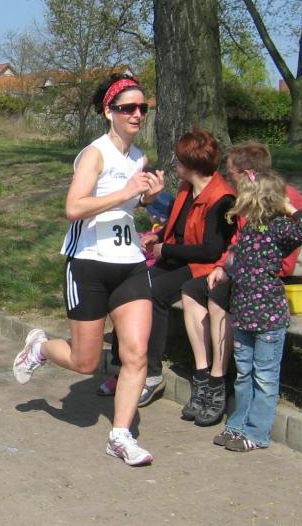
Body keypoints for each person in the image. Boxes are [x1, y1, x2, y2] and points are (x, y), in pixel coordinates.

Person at [12, 74, 165, 466]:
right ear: (109, 112)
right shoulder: (94, 154)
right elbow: (74, 207)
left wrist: (147, 198)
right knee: (86, 362)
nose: (137, 114)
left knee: (136, 353)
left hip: (129, 263)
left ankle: (121, 436)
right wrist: (126, 192)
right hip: (88, 264)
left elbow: (129, 206)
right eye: (127, 108)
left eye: (142, 108)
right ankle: (40, 348)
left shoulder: (139, 157)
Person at [178, 141, 302, 427]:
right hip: (248, 271)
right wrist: (222, 266)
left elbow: (285, 253)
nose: (227, 179)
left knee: (218, 298)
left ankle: (218, 378)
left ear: (246, 173)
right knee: (192, 290)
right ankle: (203, 374)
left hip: (275, 277)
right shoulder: (248, 198)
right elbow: (239, 242)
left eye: (230, 173)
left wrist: (236, 270)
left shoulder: (276, 197)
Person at [96, 130, 237, 409]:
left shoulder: (222, 199)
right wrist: (157, 237)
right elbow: (178, 230)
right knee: (127, 289)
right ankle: (124, 366)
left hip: (202, 267)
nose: (175, 164)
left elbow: (211, 250)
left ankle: (151, 374)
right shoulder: (186, 189)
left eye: (180, 160)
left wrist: (167, 250)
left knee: (154, 293)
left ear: (193, 165)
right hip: (177, 258)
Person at [211, 169, 302, 452]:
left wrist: (290, 209)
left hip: (268, 317)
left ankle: (257, 434)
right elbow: (239, 262)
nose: (238, 197)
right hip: (244, 314)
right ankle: (237, 425)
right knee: (243, 374)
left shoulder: (279, 227)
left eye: (244, 193)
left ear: (259, 198)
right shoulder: (248, 229)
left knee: (265, 377)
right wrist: (224, 269)